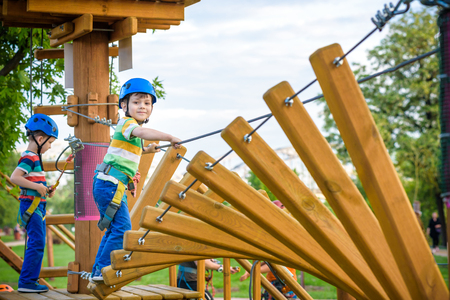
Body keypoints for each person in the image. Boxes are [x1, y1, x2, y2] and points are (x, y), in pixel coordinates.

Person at [90, 78, 182, 282]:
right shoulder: (128, 123)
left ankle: (98, 270)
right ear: (124, 105)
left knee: (115, 228)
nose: (142, 106)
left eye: (147, 103)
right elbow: (141, 132)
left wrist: (147, 149)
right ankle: (103, 270)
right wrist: (169, 137)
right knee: (123, 228)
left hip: (113, 186)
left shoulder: (132, 132)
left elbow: (134, 146)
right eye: (137, 102)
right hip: (109, 184)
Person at [10, 114, 59, 293]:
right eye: (49, 142)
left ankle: (29, 281)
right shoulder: (30, 157)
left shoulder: (34, 158)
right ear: (40, 139)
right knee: (37, 242)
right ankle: (27, 282)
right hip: (32, 206)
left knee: (38, 242)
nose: (49, 146)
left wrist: (46, 189)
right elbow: (15, 178)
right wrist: (37, 186)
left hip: (37, 204)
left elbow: (34, 183)